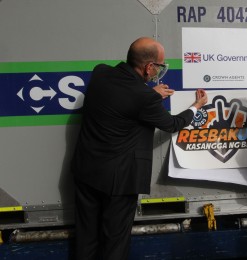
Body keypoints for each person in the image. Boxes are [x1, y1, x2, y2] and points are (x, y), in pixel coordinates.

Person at [71, 37, 208, 260]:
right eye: (160, 66)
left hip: (86, 171)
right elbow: (172, 124)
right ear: (148, 67)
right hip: (119, 181)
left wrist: (151, 94)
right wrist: (196, 106)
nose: (160, 71)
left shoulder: (101, 73)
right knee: (115, 242)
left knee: (86, 240)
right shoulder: (143, 96)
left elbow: (122, 100)